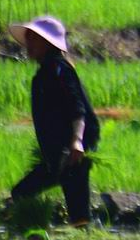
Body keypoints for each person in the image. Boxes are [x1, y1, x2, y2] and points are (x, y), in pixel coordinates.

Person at [9, 16, 100, 224]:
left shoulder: (60, 70)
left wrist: (77, 141)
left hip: (73, 147)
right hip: (58, 151)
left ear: (48, 43)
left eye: (34, 39)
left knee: (77, 208)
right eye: (28, 39)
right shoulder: (45, 73)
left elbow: (77, 108)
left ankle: (80, 236)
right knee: (22, 193)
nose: (29, 44)